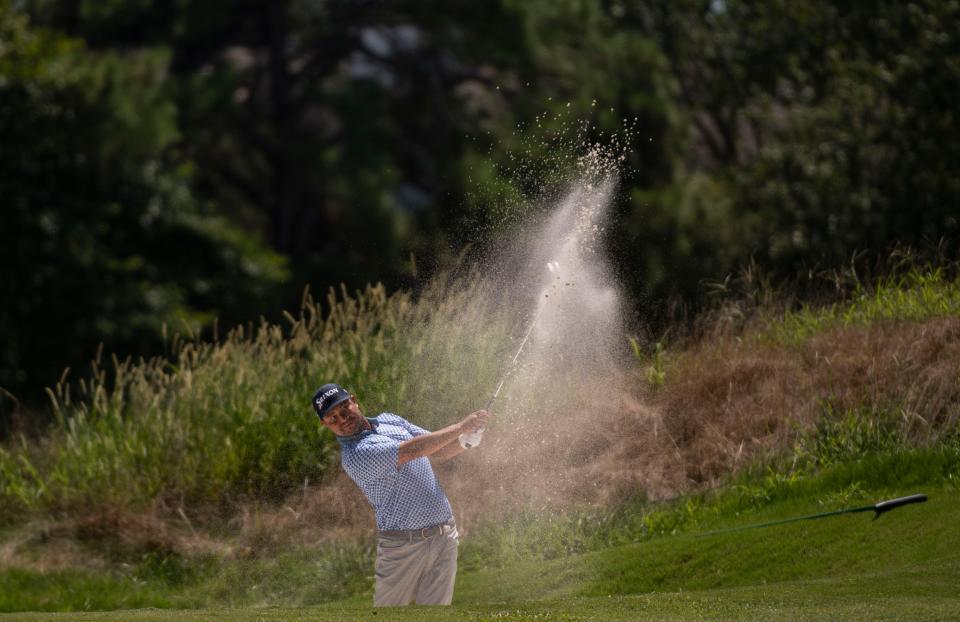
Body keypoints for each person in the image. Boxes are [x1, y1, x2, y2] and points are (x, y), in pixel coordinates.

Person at [311, 382, 489, 607]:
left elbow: (441, 448)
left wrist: (467, 440)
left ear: (354, 401)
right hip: (402, 546)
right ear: (324, 423)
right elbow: (414, 450)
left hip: (444, 535)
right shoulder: (356, 455)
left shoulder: (389, 420)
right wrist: (461, 426)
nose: (343, 418)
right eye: (333, 418)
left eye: (344, 408)